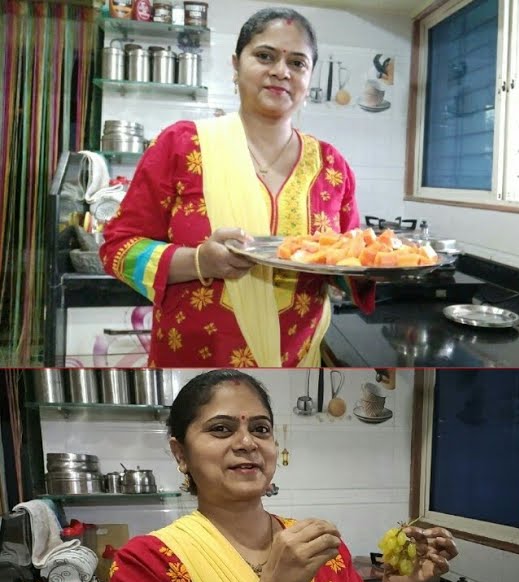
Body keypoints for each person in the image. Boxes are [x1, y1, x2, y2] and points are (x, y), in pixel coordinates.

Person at [107, 369, 458, 582]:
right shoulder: (148, 563)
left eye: (260, 429)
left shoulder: (317, 548)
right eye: (221, 428)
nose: (247, 442)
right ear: (180, 453)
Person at [100, 8, 373, 368]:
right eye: (265, 56)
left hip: (298, 365)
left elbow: (352, 259)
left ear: (309, 78)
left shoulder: (330, 165)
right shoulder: (182, 146)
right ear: (236, 64)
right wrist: (199, 261)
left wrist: (385, 265)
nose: (281, 71)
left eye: (297, 63)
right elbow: (118, 247)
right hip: (194, 362)